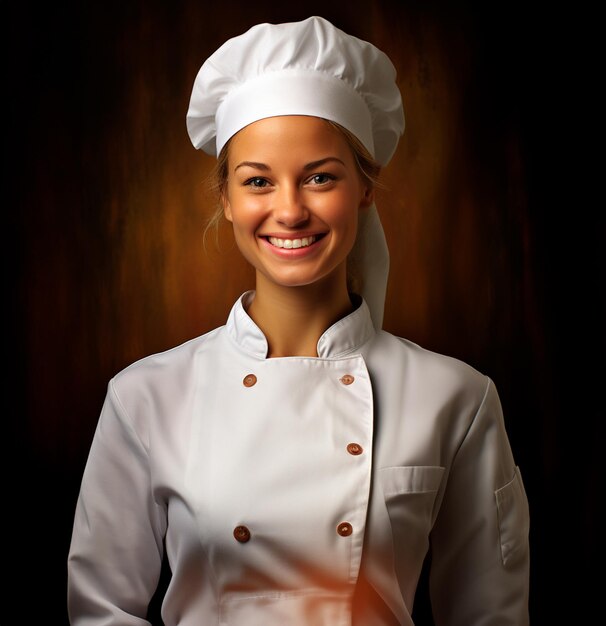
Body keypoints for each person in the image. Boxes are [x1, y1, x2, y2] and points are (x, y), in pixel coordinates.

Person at [67, 15, 530, 625]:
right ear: (227, 199)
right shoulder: (144, 397)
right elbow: (101, 612)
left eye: (319, 177)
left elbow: (490, 616)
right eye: (258, 181)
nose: (289, 210)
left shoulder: (457, 398)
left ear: (365, 188)